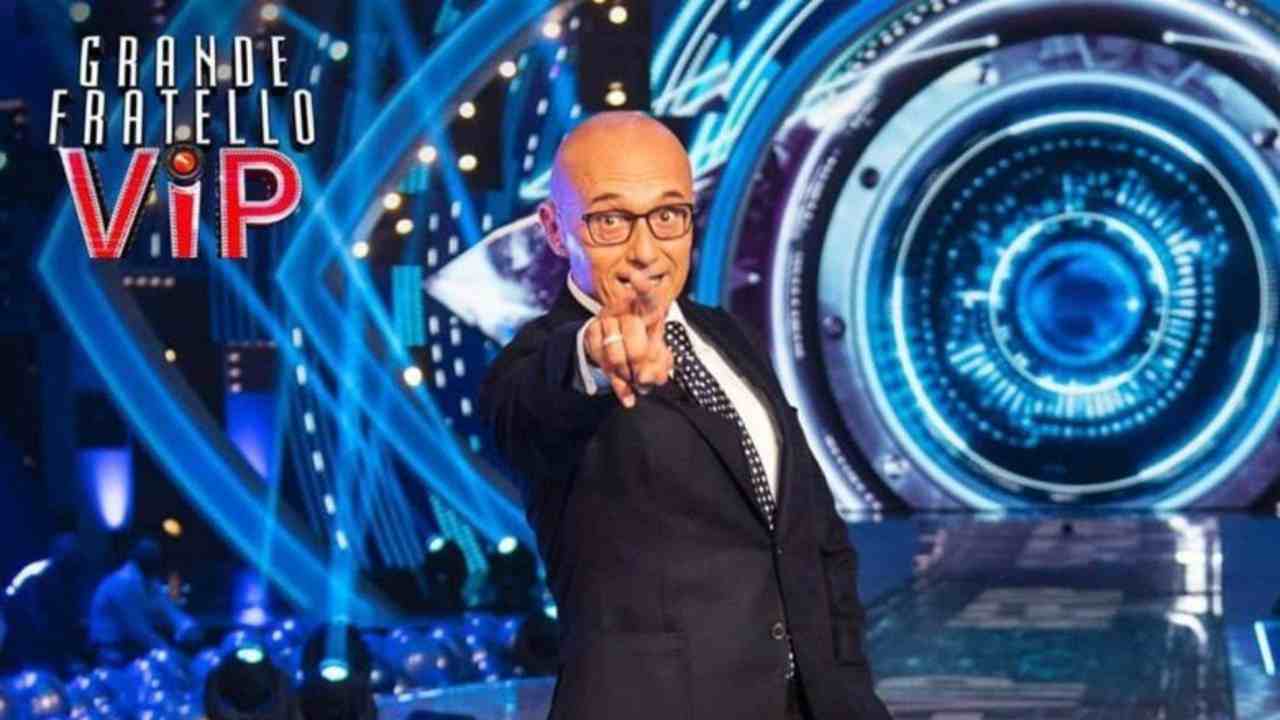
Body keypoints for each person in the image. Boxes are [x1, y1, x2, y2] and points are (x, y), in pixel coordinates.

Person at [480, 111, 891, 720]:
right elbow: (530, 408)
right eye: (611, 221)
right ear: (556, 230)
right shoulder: (537, 366)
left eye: (668, 215)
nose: (646, 251)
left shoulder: (728, 337)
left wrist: (849, 691)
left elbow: (813, 537)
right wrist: (597, 354)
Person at [88, 536, 200, 665]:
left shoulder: (150, 582)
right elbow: (139, 630)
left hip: (133, 649)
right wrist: (169, 654)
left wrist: (188, 627)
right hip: (111, 652)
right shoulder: (123, 583)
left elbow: (168, 610)